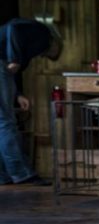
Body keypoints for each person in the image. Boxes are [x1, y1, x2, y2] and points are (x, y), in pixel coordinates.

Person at [0, 18, 63, 185]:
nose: (44, 55)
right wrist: (15, 57)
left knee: (1, 122)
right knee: (5, 123)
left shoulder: (27, 50)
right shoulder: (42, 32)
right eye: (50, 54)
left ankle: (3, 175)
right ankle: (21, 173)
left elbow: (14, 73)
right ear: (55, 42)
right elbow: (12, 27)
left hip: (4, 66)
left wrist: (18, 95)